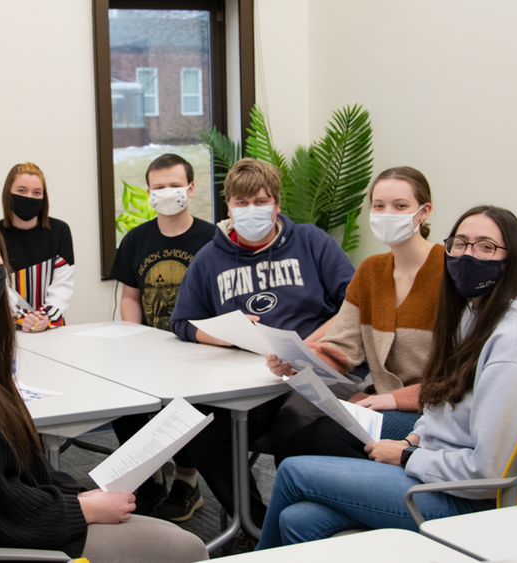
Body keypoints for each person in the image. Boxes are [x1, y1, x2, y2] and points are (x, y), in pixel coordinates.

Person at [0, 209, 208, 563]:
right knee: (189, 548)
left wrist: (77, 498)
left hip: (8, 517)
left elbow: (12, 463)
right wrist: (82, 509)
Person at [255, 205, 517, 549]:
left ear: (511, 259)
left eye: (485, 247)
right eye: (460, 243)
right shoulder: (476, 314)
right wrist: (412, 441)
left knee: (292, 472)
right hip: (436, 467)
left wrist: (407, 457)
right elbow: (444, 406)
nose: (468, 255)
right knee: (297, 519)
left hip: (463, 497)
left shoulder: (513, 342)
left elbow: (489, 474)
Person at [169, 158, 357, 527]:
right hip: (249, 376)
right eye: (242, 203)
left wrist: (309, 345)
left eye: (261, 201)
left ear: (277, 204)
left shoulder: (311, 241)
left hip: (312, 369)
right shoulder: (210, 259)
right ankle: (257, 525)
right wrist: (221, 333)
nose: (251, 210)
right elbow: (182, 322)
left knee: (296, 426)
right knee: (198, 426)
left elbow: (355, 301)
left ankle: (298, 521)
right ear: (229, 207)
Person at [266, 166, 442, 459]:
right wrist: (295, 362)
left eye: (400, 206)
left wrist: (395, 399)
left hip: (428, 410)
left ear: (424, 212)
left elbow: (462, 376)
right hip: (377, 400)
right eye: (379, 206)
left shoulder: (448, 272)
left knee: (322, 437)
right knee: (292, 418)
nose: (387, 214)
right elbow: (341, 346)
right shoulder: (371, 271)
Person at [108, 153, 216, 521]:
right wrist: (136, 340)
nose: (167, 192)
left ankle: (187, 483)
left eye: (174, 185)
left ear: (190, 187)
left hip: (197, 351)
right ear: (148, 191)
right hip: (149, 349)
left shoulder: (212, 238)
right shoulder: (136, 239)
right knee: (123, 406)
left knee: (189, 410)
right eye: (159, 187)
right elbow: (130, 296)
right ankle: (150, 479)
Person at [0, 162, 75, 332]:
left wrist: (44, 318)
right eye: (22, 191)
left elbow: (63, 286)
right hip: (11, 329)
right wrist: (23, 319)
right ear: (8, 194)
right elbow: (0, 286)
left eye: (36, 192)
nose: (29, 197)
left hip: (51, 327)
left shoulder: (60, 231)